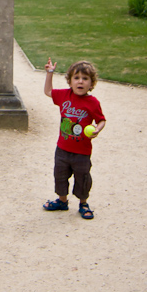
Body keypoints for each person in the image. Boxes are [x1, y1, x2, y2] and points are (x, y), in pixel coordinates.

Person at [42, 57, 106, 219]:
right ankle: (62, 201)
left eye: (85, 79)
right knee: (60, 175)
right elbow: (48, 92)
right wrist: (50, 73)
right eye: (76, 78)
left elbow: (101, 120)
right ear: (69, 81)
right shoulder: (64, 95)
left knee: (82, 178)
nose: (80, 82)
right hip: (62, 148)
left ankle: (83, 203)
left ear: (91, 84)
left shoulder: (92, 103)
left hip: (82, 152)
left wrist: (97, 129)